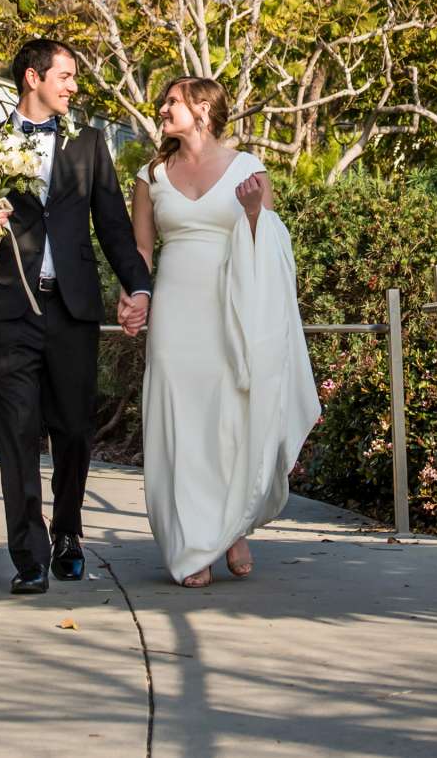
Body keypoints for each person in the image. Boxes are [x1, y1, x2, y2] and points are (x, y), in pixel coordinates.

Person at [0, 38, 154, 595]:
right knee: (15, 432)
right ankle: (29, 554)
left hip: (72, 309)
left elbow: (112, 224)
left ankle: (68, 533)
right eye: (64, 76)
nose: (72, 87)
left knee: (72, 429)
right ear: (32, 78)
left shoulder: (89, 145)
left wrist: (139, 286)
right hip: (8, 309)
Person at [134, 75, 320, 587]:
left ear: (202, 111)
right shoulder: (150, 174)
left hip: (231, 308)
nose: (163, 107)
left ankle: (232, 527)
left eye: (173, 101)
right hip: (175, 308)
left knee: (228, 418)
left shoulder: (248, 168)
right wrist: (134, 297)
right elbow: (142, 254)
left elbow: (275, 248)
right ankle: (196, 542)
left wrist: (255, 212)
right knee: (180, 419)